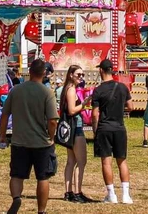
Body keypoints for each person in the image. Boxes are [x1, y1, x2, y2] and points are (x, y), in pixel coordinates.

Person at [0, 59, 59, 214]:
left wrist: (3, 135)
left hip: (19, 141)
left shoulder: (16, 90)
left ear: (29, 72)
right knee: (43, 177)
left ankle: (17, 198)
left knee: (17, 175)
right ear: (44, 73)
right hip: (41, 143)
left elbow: (5, 115)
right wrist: (51, 138)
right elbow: (52, 120)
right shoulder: (47, 92)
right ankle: (41, 210)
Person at [91, 59, 133, 204]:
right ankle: (126, 195)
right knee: (122, 161)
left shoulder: (98, 90)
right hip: (119, 128)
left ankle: (111, 195)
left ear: (101, 71)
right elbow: (131, 106)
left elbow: (95, 114)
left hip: (104, 127)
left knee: (106, 162)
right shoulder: (122, 87)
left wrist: (95, 130)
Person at [60, 65, 90, 203]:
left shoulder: (65, 88)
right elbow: (72, 110)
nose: (81, 77)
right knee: (81, 161)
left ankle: (68, 192)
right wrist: (84, 104)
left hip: (69, 129)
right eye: (78, 75)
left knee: (71, 161)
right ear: (71, 75)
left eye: (82, 75)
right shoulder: (71, 90)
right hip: (75, 128)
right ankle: (77, 193)